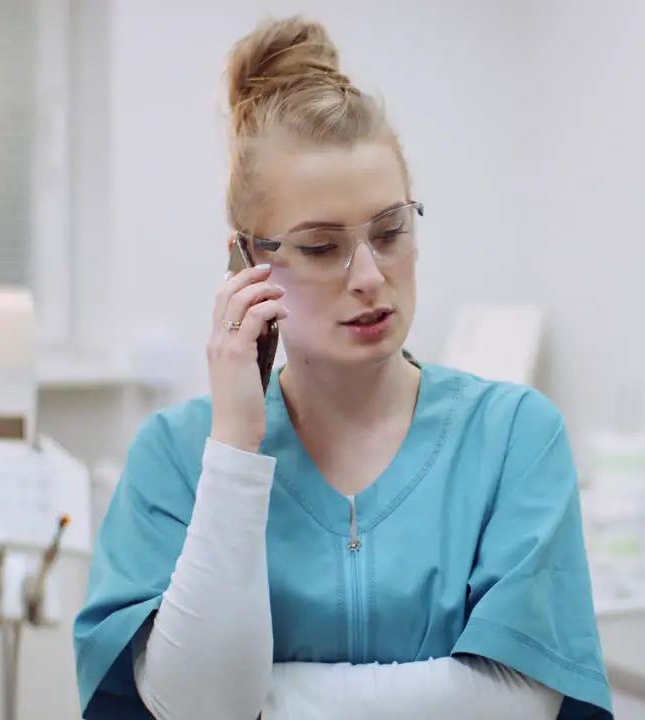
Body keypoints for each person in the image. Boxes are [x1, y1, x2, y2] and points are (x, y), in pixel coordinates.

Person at [72, 14, 612, 720]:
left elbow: (516, 702)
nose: (369, 276)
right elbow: (198, 706)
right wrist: (235, 445)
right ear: (247, 263)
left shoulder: (513, 435)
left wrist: (269, 702)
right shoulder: (175, 459)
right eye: (322, 247)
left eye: (390, 232)